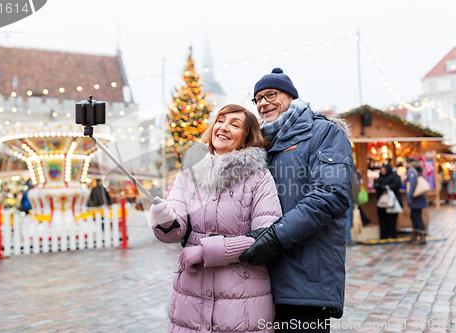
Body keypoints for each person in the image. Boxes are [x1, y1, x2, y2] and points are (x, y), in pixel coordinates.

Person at [240, 68, 354, 332]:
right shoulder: (259, 145)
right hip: (261, 279)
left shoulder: (323, 133)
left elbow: (330, 194)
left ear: (291, 97)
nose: (263, 102)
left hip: (306, 278)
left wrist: (275, 236)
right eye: (257, 99)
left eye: (271, 94)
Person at [150, 104, 282, 333]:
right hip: (191, 298)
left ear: (246, 139)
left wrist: (204, 251)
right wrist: (164, 219)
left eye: (235, 124)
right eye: (220, 120)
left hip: (243, 301)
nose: (224, 127)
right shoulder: (188, 174)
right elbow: (175, 231)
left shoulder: (260, 177)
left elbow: (266, 239)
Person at [373, 163, 402, 239]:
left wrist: (387, 187)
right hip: (381, 203)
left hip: (391, 202)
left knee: (392, 219)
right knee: (382, 219)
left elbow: (397, 184)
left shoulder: (394, 176)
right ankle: (384, 235)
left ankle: (392, 235)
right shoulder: (380, 177)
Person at [404, 157, 428, 245]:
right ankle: (416, 236)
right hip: (418, 199)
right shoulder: (416, 170)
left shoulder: (411, 171)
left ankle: (421, 238)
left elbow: (412, 185)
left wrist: (409, 197)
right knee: (414, 217)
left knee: (417, 217)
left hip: (416, 199)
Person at [346, 171, 360, 244]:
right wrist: (356, 202)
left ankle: (347, 238)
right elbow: (354, 189)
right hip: (350, 199)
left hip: (343, 198)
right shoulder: (352, 174)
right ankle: (347, 238)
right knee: (348, 218)